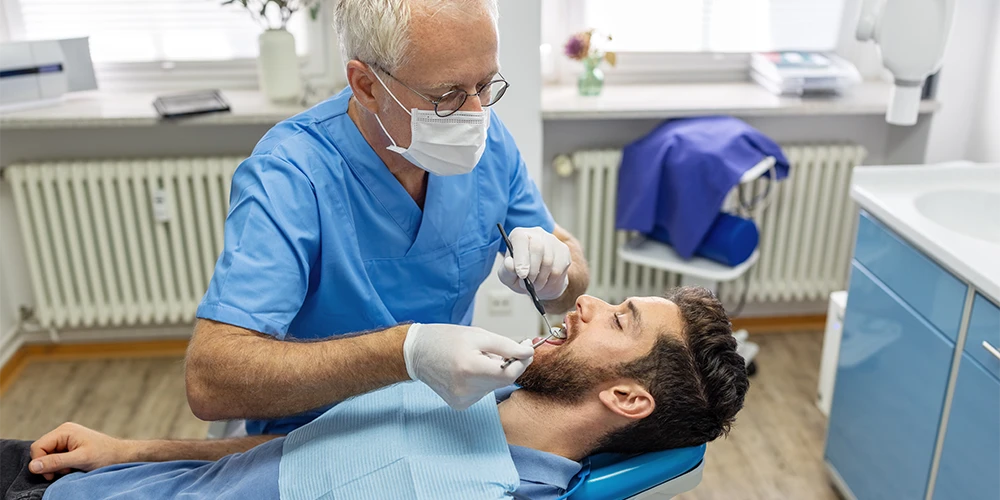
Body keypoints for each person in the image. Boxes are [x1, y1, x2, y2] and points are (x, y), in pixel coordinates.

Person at [185, 0, 591, 436]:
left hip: (436, 420)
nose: (476, 115)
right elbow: (210, 382)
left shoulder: (491, 146)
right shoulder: (291, 172)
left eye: (486, 84)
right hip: (309, 437)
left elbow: (572, 280)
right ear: (367, 86)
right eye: (446, 96)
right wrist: (405, 354)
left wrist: (557, 275)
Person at [2, 288, 748, 500]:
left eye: (617, 320)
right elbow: (304, 454)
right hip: (101, 478)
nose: (585, 304)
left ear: (626, 399)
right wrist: (125, 452)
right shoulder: (474, 396)